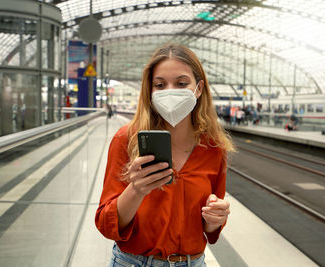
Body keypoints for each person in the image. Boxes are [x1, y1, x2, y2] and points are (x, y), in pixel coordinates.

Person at [95, 43, 234, 267]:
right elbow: (105, 223)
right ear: (150, 91)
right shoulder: (127, 140)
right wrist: (136, 190)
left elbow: (211, 229)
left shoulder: (214, 147)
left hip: (193, 262)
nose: (170, 91)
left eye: (181, 83)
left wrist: (215, 218)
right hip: (134, 262)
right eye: (160, 85)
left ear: (198, 89)